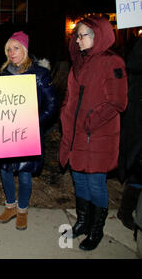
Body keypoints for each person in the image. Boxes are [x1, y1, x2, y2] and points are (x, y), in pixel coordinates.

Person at [59, 16, 128, 251]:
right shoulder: (79, 62)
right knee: (79, 180)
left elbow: (118, 102)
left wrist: (91, 121)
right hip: (76, 135)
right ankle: (82, 222)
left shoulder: (112, 62)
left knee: (96, 184)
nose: (77, 40)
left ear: (97, 36)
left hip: (96, 135)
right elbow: (71, 96)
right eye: (76, 36)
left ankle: (96, 229)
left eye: (83, 35)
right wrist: (65, 114)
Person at [0, 31, 57, 231]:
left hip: (27, 134)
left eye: (16, 48)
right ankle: (10, 206)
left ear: (25, 49)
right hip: (6, 133)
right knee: (5, 171)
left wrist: (35, 123)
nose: (12, 53)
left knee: (25, 173)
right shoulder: (3, 74)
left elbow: (52, 105)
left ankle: (22, 210)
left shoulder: (39, 74)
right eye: (9, 49)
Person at [117, 37, 142, 231]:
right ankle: (127, 210)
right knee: (138, 165)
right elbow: (132, 65)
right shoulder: (138, 50)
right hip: (137, 116)